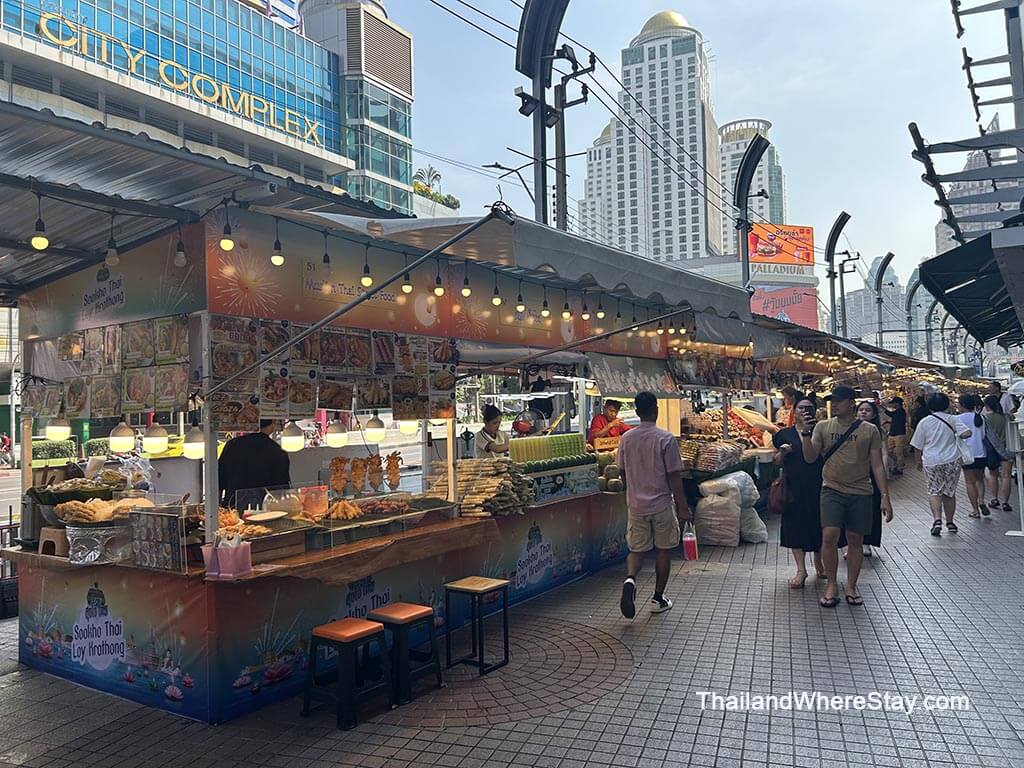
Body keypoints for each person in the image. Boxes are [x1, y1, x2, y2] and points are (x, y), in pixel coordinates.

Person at [800, 385, 892, 608]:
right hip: (831, 489)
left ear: (852, 403)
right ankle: (832, 584)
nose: (835, 404)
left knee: (855, 540)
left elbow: (877, 465)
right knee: (829, 536)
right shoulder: (823, 426)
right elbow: (810, 458)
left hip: (861, 491)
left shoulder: (869, 430)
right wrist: (805, 434)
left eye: (839, 400)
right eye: (832, 400)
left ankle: (851, 586)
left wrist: (885, 496)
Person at [617, 391, 690, 618]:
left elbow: (621, 472)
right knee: (663, 550)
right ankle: (658, 598)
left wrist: (632, 490)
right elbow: (674, 477)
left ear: (637, 411)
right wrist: (683, 507)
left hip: (636, 506)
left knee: (636, 550)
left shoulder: (626, 438)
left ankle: (630, 580)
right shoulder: (665, 439)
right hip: (661, 504)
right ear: (656, 410)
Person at [772, 394, 824, 588]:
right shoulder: (783, 434)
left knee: (820, 525)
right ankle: (801, 570)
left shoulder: (821, 430)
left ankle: (819, 563)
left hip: (818, 485)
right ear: (794, 411)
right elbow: (776, 461)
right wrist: (782, 452)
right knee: (794, 527)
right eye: (801, 408)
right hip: (793, 487)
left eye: (809, 408)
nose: (804, 411)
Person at [911, 393, 970, 536]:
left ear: (929, 406)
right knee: (949, 492)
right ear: (947, 405)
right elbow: (967, 433)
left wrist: (918, 461)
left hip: (932, 461)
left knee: (934, 490)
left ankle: (937, 520)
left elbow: (917, 445)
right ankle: (950, 522)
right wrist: (956, 435)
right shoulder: (953, 419)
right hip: (952, 460)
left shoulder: (924, 422)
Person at [838, 401, 885, 559]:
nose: (863, 412)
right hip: (850, 473)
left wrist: (883, 474)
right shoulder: (846, 429)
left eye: (867, 410)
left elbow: (883, 454)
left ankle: (866, 542)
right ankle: (849, 543)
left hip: (871, 473)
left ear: (874, 414)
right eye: (861, 410)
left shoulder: (876, 431)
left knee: (870, 509)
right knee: (848, 509)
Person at [218, 419, 291, 508]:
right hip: (265, 511)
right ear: (272, 424)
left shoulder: (232, 445)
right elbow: (282, 491)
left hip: (232, 510)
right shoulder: (277, 451)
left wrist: (216, 510)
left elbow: (218, 482)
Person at [957, 394, 989, 519]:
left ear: (963, 405)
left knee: (970, 482)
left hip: (967, 454)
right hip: (981, 453)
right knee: (980, 480)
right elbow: (983, 436)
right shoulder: (981, 417)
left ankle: (975, 510)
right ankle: (981, 501)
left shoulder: (958, 419)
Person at [982, 395, 1013, 512]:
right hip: (1007, 449)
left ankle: (994, 499)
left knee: (993, 475)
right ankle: (1005, 502)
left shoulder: (986, 418)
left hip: (992, 451)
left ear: (987, 406)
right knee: (1006, 476)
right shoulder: (1006, 417)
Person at [883, 397, 908, 475]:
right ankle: (899, 463)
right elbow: (896, 420)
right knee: (889, 451)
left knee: (899, 452)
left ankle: (900, 469)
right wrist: (888, 422)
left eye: (893, 403)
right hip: (892, 434)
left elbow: (890, 414)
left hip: (899, 434)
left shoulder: (901, 411)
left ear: (897, 403)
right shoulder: (898, 411)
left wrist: (881, 407)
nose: (892, 405)